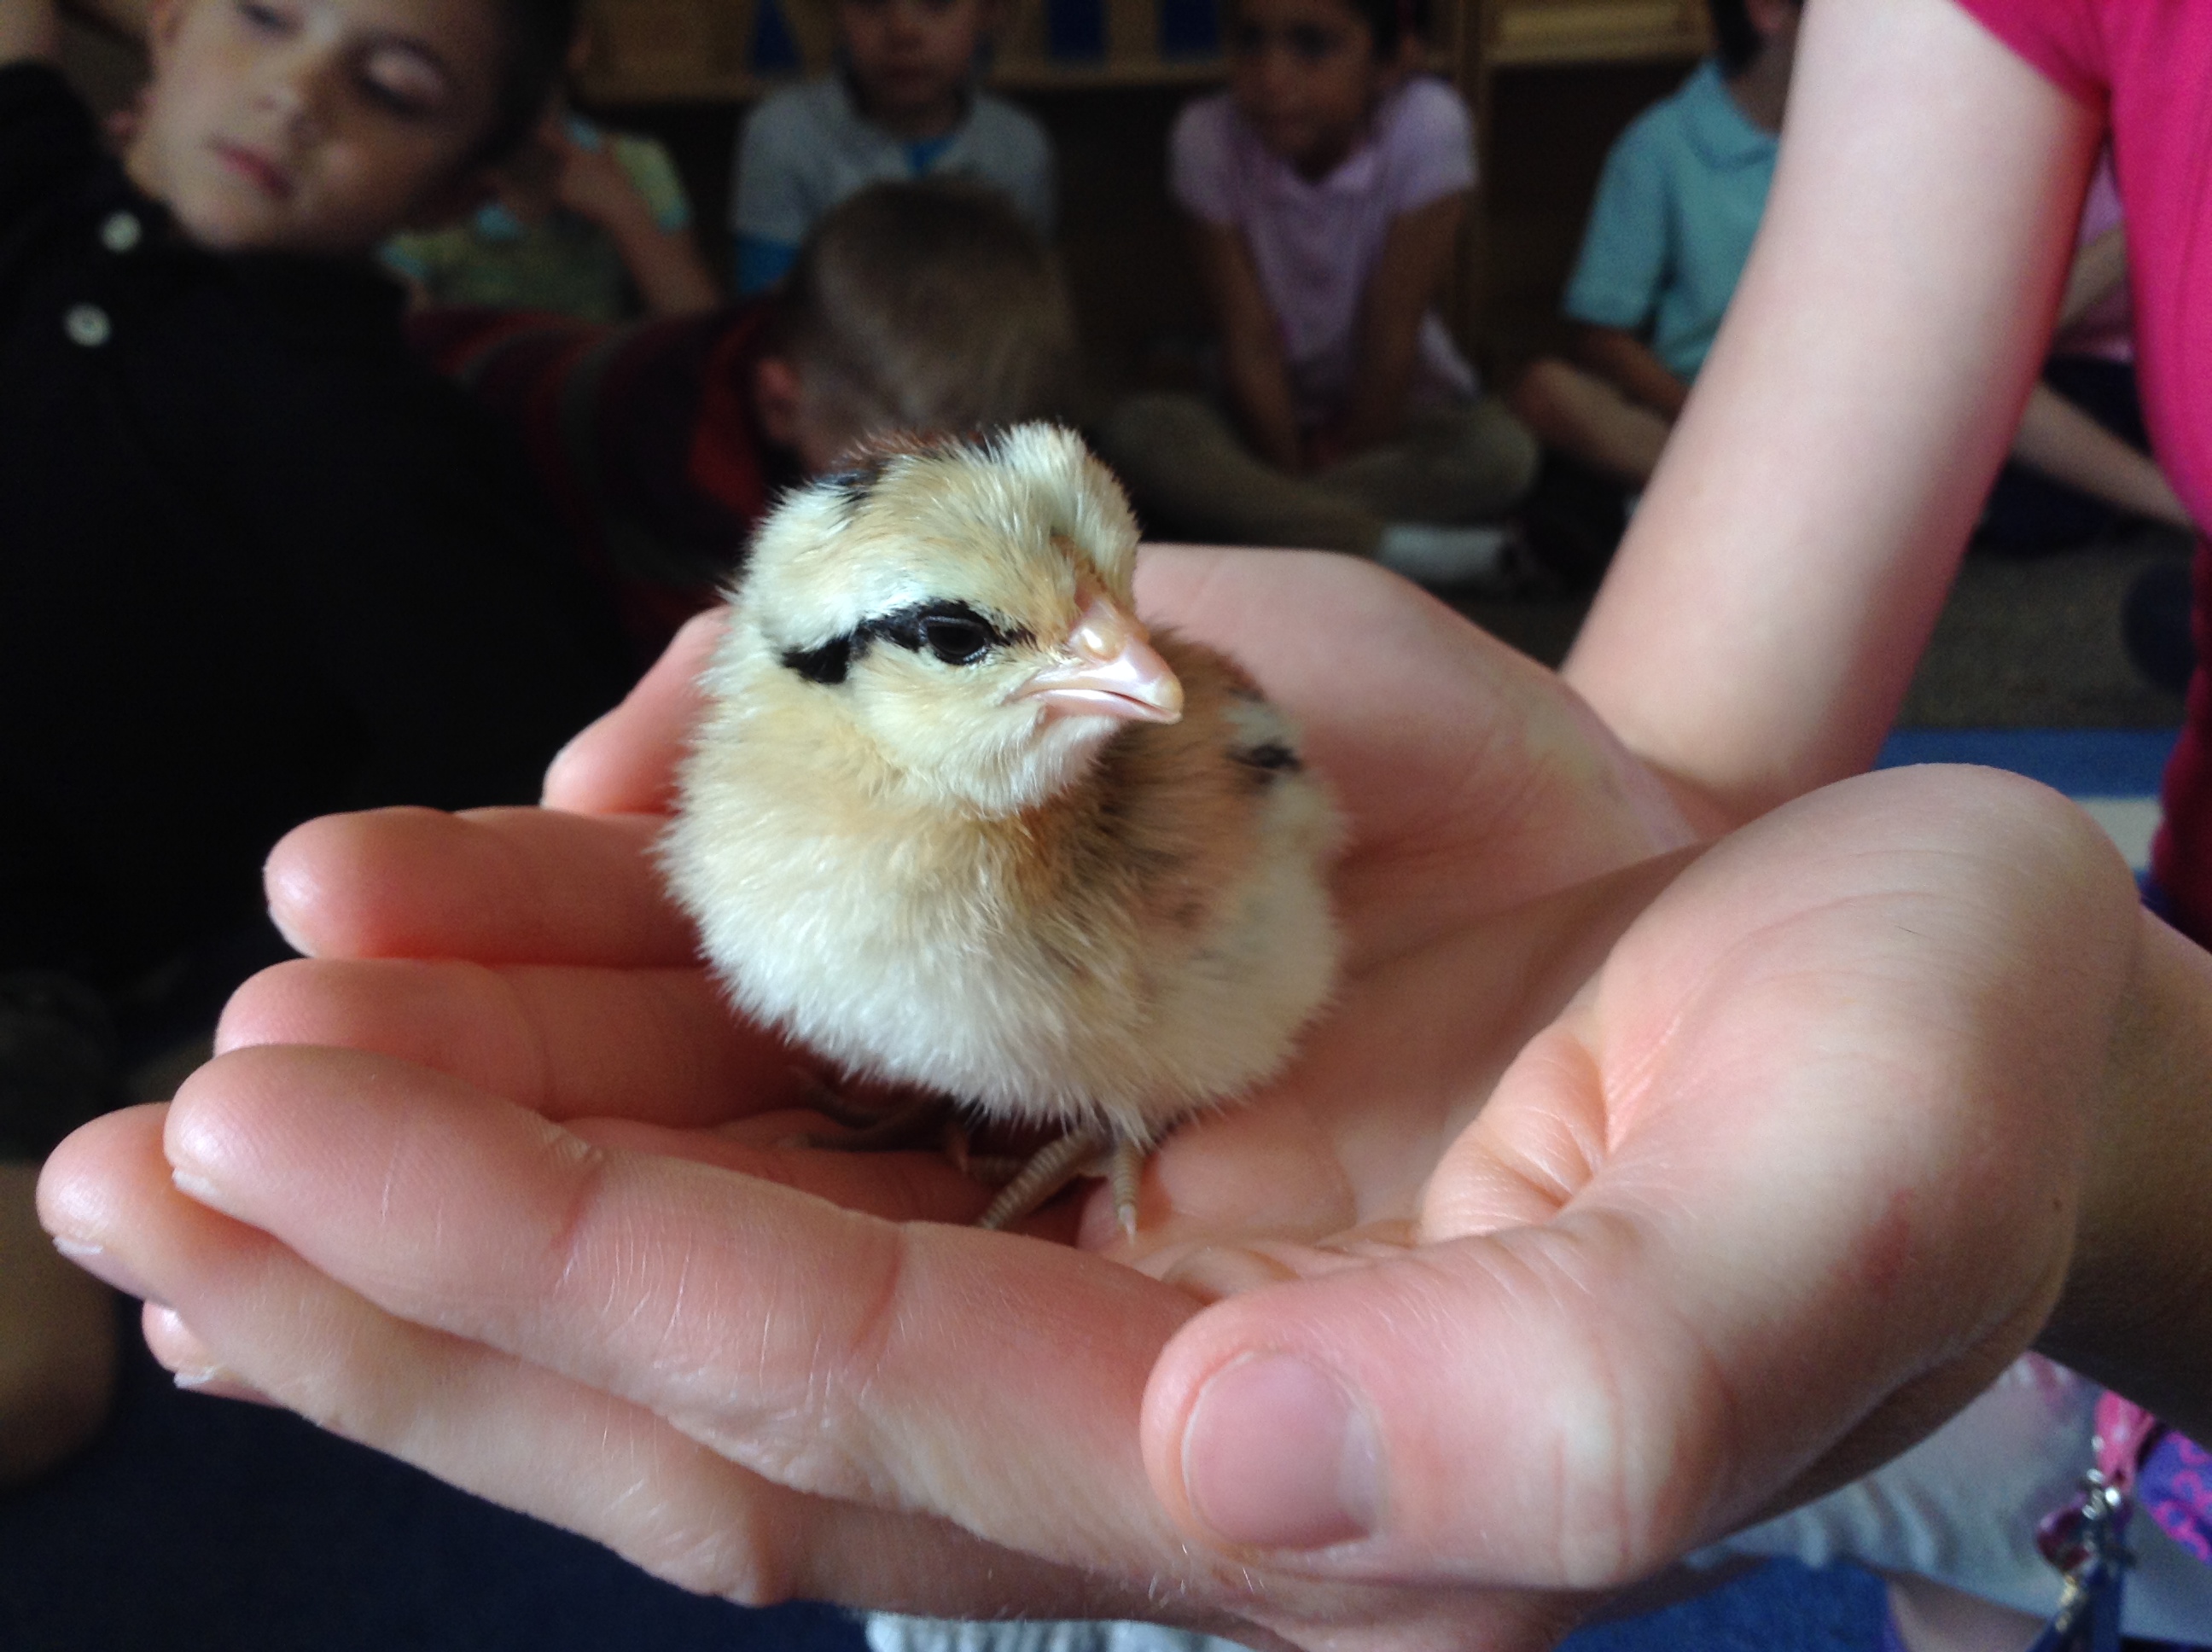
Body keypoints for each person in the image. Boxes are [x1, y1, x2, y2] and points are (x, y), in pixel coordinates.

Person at [35, 5, 2212, 1651]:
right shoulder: (755, 796)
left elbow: (1245, 810)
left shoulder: (1121, 781)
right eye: (1009, 638)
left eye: (1109, 605)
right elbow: (1686, 753)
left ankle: (2059, 1500)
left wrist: (2108, 1106)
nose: (1128, 667)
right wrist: (1626, 817)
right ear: (829, 667)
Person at [0, 0, 631, 1475]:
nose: (293, 92)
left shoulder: (387, 450)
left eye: (391, 87)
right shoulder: (30, 184)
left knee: (29, 1372)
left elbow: (534, 787)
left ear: (460, 189)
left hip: (40, 958)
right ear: (165, 30)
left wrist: (227, 1037)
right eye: (267, 15)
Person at [1511, 0, 2192, 559]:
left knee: (1974, 378)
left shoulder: (1889, 130)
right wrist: (1698, 417)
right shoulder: (1661, 144)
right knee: (1549, 390)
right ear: (1770, 13)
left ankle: (1692, 522)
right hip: (1699, 417)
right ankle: (1757, 522)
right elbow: (1600, 336)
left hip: (1846, 418)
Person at [407, 178, 1085, 663]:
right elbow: (707, 686)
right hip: (449, 396)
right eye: (894, 483)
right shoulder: (688, 469)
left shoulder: (817, 357)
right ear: (780, 406)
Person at [1094, 0, 1541, 590]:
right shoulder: (1205, 135)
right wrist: (1286, 462)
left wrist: (1336, 463)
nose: (1271, 76)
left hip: (1401, 414)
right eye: (1250, 40)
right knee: (1139, 432)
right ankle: (1392, 549)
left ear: (1390, 61)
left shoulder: (1429, 123)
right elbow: (1250, 340)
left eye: (1311, 45)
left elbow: (1390, 336)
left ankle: (1273, 530)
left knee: (1502, 454)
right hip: (1258, 423)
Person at [726, 0, 1053, 296]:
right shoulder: (784, 133)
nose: (902, 31)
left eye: (936, 5)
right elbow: (764, 314)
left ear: (989, 11)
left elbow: (1026, 307)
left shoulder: (1017, 145)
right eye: (871, 4)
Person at [381, 96, 720, 322]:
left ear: (573, 44)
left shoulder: (633, 162)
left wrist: (624, 212)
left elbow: (701, 334)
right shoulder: (430, 176)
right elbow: (401, 345)